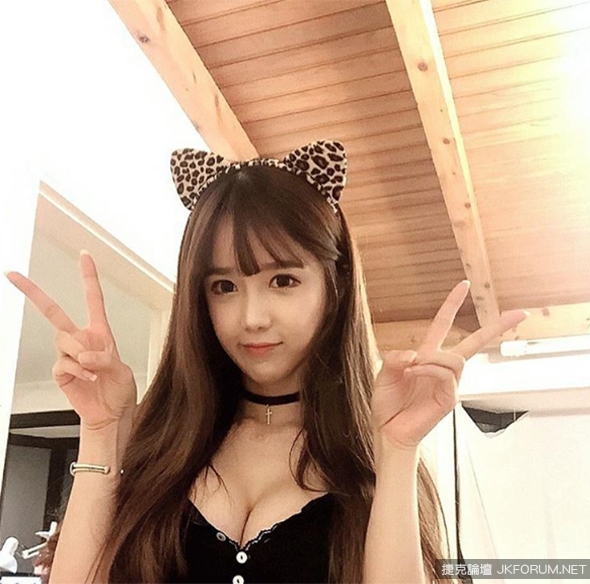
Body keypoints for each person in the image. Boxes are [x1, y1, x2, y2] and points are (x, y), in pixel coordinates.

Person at [4, 140, 527, 583]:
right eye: (224, 286)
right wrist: (101, 431)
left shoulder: (375, 453)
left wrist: (397, 451)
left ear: (336, 286)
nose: (251, 318)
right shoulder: (158, 443)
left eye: (283, 280)